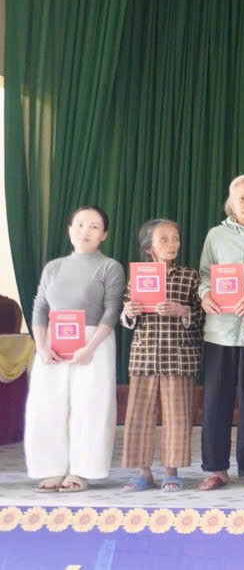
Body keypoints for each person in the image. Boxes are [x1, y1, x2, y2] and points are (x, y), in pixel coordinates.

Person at [24, 206, 125, 492]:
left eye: (94, 226)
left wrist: (90, 347)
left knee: (90, 406)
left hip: (95, 343)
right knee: (46, 406)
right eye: (80, 224)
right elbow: (40, 307)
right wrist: (41, 346)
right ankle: (50, 469)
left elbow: (112, 310)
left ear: (104, 234)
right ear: (70, 230)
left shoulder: (110, 267)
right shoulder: (53, 267)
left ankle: (82, 471)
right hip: (52, 344)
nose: (85, 231)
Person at [120, 219, 205, 492]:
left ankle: (172, 472)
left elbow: (203, 314)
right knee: (139, 414)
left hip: (179, 356)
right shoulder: (137, 276)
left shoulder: (190, 276)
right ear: (149, 248)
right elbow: (126, 315)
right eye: (164, 239)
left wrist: (184, 311)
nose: (172, 244)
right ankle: (143, 473)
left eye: (175, 238)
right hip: (144, 354)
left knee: (177, 416)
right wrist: (129, 313)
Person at [196, 175, 244, 491]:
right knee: (216, 401)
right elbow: (204, 274)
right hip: (220, 331)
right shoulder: (216, 235)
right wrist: (205, 294)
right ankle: (215, 468)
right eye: (242, 198)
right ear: (231, 202)